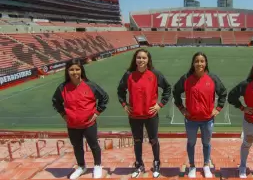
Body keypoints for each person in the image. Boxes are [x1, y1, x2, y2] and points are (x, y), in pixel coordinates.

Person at [117, 49, 171, 178]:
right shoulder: (129, 74)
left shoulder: (155, 74)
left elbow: (167, 88)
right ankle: (139, 164)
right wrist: (124, 105)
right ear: (135, 59)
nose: (141, 60)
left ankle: (156, 163)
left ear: (148, 60)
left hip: (150, 115)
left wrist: (160, 104)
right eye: (139, 58)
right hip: (135, 115)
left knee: (153, 140)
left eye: (144, 58)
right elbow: (120, 91)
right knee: (137, 141)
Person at [52, 58, 109, 180]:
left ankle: (97, 165)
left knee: (94, 145)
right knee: (77, 146)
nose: (75, 72)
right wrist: (63, 115)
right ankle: (81, 167)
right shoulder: (62, 88)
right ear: (67, 71)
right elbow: (55, 102)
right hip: (72, 125)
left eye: (77, 69)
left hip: (89, 124)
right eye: (71, 70)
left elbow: (104, 97)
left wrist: (97, 112)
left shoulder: (90, 85)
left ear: (81, 70)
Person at [173, 52, 227, 178]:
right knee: (191, 143)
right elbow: (176, 92)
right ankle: (192, 166)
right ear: (193, 63)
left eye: (202, 61)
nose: (199, 64)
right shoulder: (186, 78)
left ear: (206, 63)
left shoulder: (212, 78)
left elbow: (223, 93)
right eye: (197, 61)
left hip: (207, 120)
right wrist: (181, 108)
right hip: (191, 119)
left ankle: (206, 165)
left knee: (206, 143)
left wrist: (218, 108)